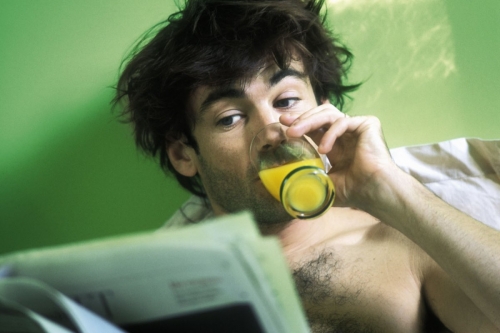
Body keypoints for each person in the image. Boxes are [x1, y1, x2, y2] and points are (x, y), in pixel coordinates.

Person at [113, 0, 500, 331]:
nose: (271, 132)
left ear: (325, 109)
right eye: (230, 117)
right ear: (184, 154)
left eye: (286, 101)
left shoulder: (403, 244)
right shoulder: (162, 288)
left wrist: (391, 186)